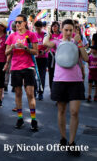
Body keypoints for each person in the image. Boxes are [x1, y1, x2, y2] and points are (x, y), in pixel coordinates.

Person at [44, 19, 88, 155]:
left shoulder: (78, 43)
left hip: (75, 81)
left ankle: (72, 142)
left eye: (71, 30)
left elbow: (86, 58)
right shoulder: (57, 43)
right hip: (60, 80)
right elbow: (45, 43)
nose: (68, 32)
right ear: (62, 30)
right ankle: (63, 138)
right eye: (66, 30)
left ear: (74, 30)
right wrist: (48, 33)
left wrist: (79, 42)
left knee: (74, 112)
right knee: (61, 111)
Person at [5, 14, 39, 131]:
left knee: (30, 93)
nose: (17, 24)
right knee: (18, 93)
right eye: (16, 22)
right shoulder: (12, 36)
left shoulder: (31, 35)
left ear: (25, 23)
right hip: (15, 67)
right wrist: (13, 47)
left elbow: (36, 52)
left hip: (28, 66)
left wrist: (25, 48)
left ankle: (33, 120)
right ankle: (20, 118)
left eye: (19, 22)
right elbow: (6, 52)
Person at [34, 20, 48, 101]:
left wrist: (44, 51)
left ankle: (40, 92)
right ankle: (34, 90)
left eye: (39, 29)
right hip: (35, 57)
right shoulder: (34, 34)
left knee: (42, 76)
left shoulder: (45, 34)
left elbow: (49, 46)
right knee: (34, 75)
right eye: (36, 29)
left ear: (42, 27)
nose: (37, 30)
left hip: (43, 57)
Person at [47, 21, 61, 93]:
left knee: (59, 73)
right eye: (53, 26)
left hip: (60, 55)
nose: (54, 27)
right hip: (51, 55)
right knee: (51, 73)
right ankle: (52, 89)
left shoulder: (61, 35)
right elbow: (46, 45)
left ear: (58, 27)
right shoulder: (50, 36)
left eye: (55, 26)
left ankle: (58, 90)